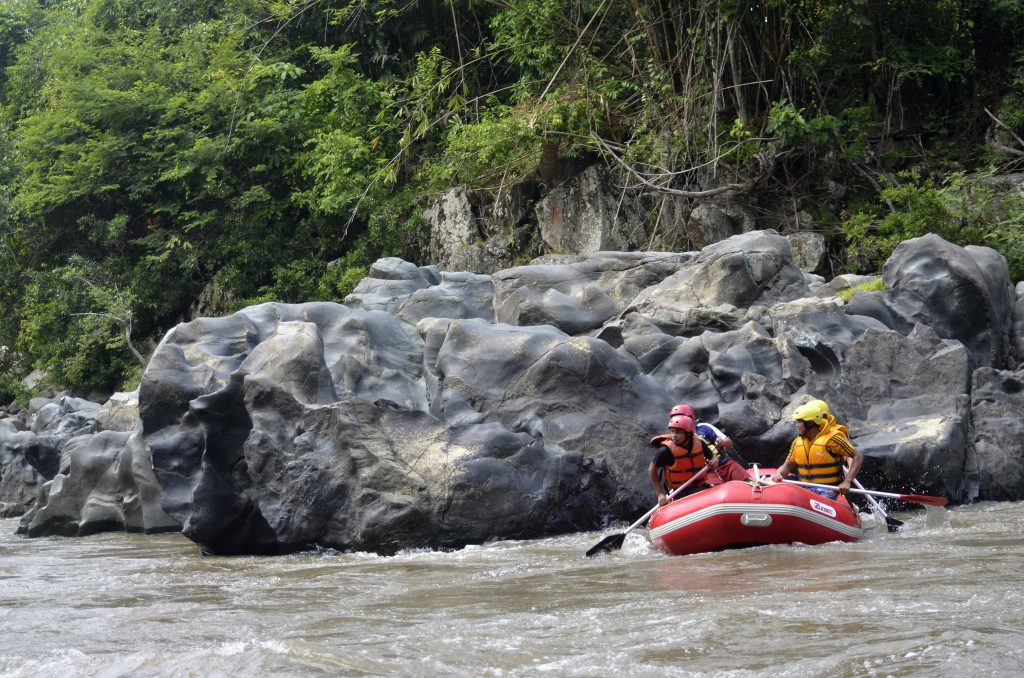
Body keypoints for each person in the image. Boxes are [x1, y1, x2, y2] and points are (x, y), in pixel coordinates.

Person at [770, 399, 863, 500]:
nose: (796, 425)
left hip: (828, 489)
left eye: (799, 422)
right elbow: (787, 465)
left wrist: (847, 481)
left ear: (810, 423)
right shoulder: (797, 442)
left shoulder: (832, 439)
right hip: (805, 487)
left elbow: (856, 456)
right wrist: (779, 474)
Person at [667, 404, 747, 484]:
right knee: (715, 488)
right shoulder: (674, 440)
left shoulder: (703, 427)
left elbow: (729, 443)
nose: (678, 422)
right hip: (705, 472)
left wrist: (722, 442)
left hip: (724, 464)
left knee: (748, 483)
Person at [648, 413, 709, 506]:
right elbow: (651, 469)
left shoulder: (699, 443)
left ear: (688, 434)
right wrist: (660, 494)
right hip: (681, 493)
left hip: (701, 485)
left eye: (678, 432)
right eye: (672, 432)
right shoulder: (665, 451)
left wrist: (714, 461)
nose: (674, 435)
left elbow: (713, 457)